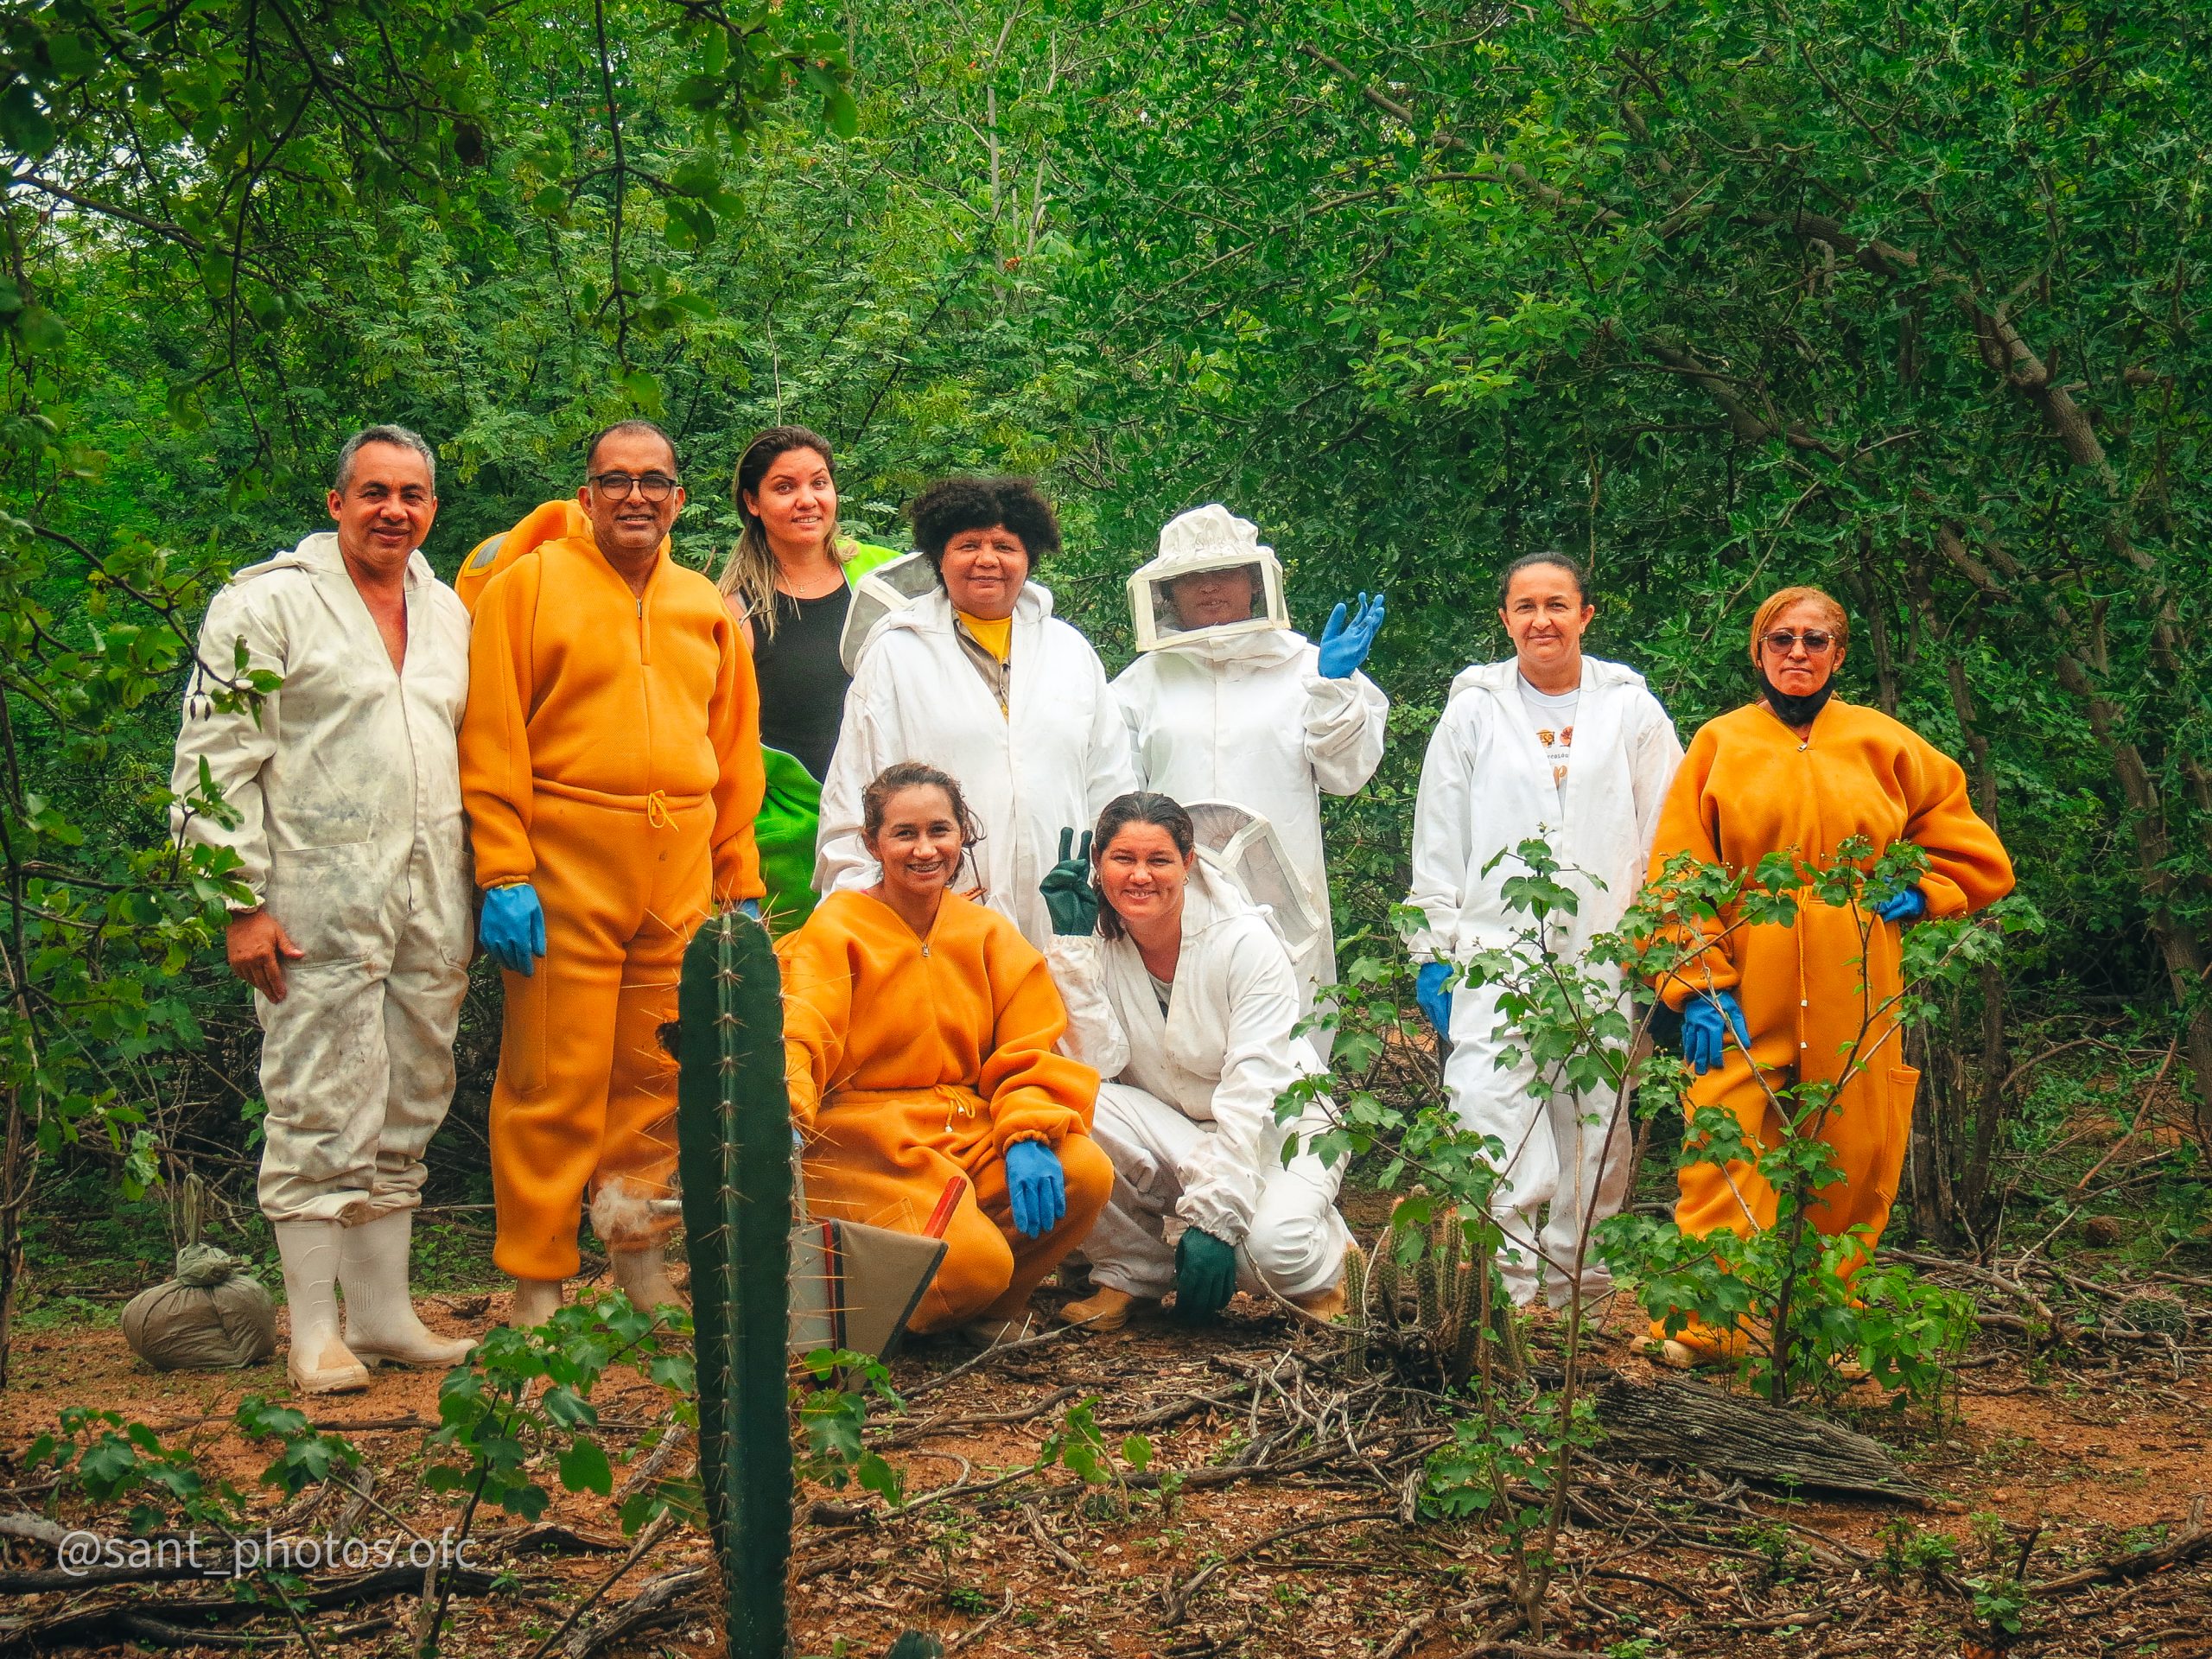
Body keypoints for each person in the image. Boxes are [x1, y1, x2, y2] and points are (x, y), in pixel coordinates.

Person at [170, 424, 475, 1393]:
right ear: (337, 501)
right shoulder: (267, 604)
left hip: (431, 892)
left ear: (432, 509)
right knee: (317, 1100)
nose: (395, 510)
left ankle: (382, 1316)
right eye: (375, 492)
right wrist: (237, 902)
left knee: (411, 1093)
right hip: (313, 895)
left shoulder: (447, 609)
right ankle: (312, 1333)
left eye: (413, 495)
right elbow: (211, 761)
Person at [1646, 584, 2014, 1364]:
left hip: (1857, 970)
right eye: (1782, 639)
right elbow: (1679, 870)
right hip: (1752, 975)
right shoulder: (1719, 743)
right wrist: (1700, 987)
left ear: (1839, 655)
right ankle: (1707, 1327)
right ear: (1758, 650)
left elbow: (1977, 853)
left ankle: (1824, 1325)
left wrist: (1922, 890)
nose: (1798, 654)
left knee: (1853, 1150)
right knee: (1722, 1141)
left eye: (1816, 641)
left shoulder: (1885, 743)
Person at [460, 419, 767, 1325]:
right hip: (565, 865)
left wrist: (737, 881)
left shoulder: (704, 606)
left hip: (677, 872)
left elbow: (735, 753)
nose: (636, 494)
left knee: (654, 1080)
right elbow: (491, 738)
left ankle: (640, 1262)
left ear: (680, 499)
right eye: (615, 479)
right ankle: (538, 1284)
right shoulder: (526, 589)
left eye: (654, 480)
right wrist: (503, 871)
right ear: (585, 494)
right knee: (548, 1081)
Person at [1405, 553, 1682, 1307]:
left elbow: (1670, 837)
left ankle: (1578, 1297)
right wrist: (1433, 953)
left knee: (1596, 1125)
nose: (1542, 621)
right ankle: (1506, 1297)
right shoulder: (1473, 710)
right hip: (1492, 957)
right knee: (1489, 1111)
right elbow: (1439, 838)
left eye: (1557, 604)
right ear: (1505, 620)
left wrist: (1663, 956)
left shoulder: (1632, 710)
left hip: (1606, 952)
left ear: (1587, 615)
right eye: (1525, 607)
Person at [779, 762, 1116, 1344]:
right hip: (868, 1144)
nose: (924, 849)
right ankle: (886, 1312)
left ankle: (983, 1310)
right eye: (904, 833)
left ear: (963, 833)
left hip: (964, 1127)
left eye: (940, 830)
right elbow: (801, 1027)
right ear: (872, 843)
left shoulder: (986, 933)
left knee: (1084, 1171)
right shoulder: (838, 927)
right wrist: (783, 1107)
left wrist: (1028, 1132)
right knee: (973, 1266)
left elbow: (1030, 1046)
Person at [1050, 794, 1357, 1332]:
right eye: (1123, 859)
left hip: (1279, 1129)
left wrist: (1215, 1221)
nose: (1140, 876)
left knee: (1265, 1251)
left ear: (1188, 863)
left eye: (1159, 860)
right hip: (1178, 1126)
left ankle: (1333, 1267)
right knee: (1071, 1101)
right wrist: (1070, 951)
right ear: (1098, 862)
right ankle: (1133, 1272)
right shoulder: (1096, 937)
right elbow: (1097, 1063)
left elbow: (1252, 1089)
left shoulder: (1245, 941)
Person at [816, 475, 1137, 949]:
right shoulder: (895, 655)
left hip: (1069, 910)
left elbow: (1111, 784)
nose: (987, 559)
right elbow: (854, 795)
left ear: (1029, 558)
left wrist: (1113, 883)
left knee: (1071, 1016)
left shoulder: (1070, 652)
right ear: (938, 558)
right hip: (937, 909)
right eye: (968, 545)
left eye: (1005, 546)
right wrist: (873, 908)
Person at [1113, 505, 1388, 1029]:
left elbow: (1346, 775)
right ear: (1166, 593)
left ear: (1256, 583)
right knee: (1181, 1035)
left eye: (1226, 574)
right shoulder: (1138, 685)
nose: (1210, 589)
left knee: (1289, 1045)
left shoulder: (1308, 666)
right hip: (1171, 894)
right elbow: (1117, 798)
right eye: (1192, 578)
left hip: (1284, 896)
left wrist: (1335, 688)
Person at [715, 427, 901, 934]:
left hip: (903, 827)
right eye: (784, 488)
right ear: (752, 503)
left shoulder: (885, 579)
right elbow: (720, 745)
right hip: (793, 843)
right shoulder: (735, 610)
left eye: (819, 483)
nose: (807, 501)